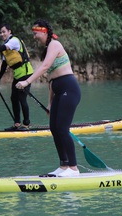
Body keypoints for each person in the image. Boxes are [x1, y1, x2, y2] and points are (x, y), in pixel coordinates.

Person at [15, 19, 81, 178]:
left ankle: (73, 168)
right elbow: (50, 80)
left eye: (35, 33)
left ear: (43, 31)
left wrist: (27, 81)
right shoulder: (47, 49)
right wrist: (50, 103)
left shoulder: (55, 44)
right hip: (58, 91)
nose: (34, 36)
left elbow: (44, 68)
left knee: (63, 129)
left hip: (69, 89)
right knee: (54, 128)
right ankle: (64, 165)